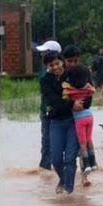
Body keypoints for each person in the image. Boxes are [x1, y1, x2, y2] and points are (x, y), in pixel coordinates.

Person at [40, 51, 83, 194]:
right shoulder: (45, 80)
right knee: (56, 159)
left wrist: (80, 103)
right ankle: (63, 180)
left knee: (70, 158)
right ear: (47, 66)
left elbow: (85, 92)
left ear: (62, 62)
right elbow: (53, 100)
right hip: (56, 121)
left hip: (73, 121)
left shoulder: (72, 75)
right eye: (51, 65)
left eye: (57, 63)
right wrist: (71, 103)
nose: (55, 67)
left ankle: (68, 191)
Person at [62, 64, 97, 184]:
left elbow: (64, 97)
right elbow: (93, 90)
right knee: (89, 140)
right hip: (90, 116)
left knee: (82, 144)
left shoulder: (70, 90)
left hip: (79, 120)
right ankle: (93, 162)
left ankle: (86, 164)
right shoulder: (88, 88)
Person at [36, 40, 62, 171]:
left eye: (45, 52)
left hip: (61, 111)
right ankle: (45, 168)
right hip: (45, 112)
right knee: (46, 140)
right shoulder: (43, 71)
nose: (42, 55)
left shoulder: (64, 72)